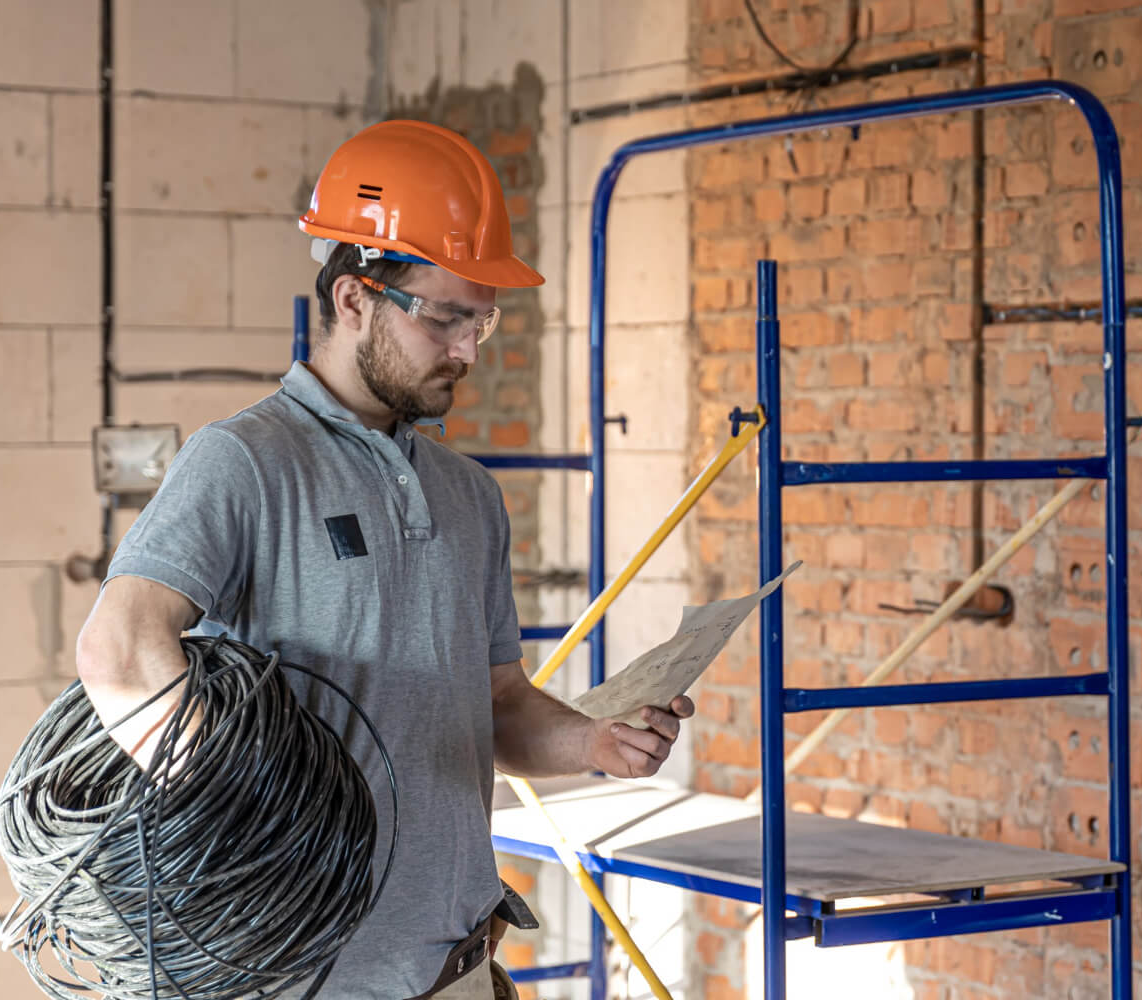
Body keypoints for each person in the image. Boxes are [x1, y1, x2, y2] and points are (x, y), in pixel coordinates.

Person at [75, 119, 694, 1000]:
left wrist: (596, 742)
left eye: (483, 320)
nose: (468, 350)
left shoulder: (468, 493)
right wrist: (252, 819)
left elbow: (497, 707)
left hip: (457, 968)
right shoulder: (246, 461)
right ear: (355, 297)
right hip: (307, 978)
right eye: (445, 317)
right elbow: (121, 649)